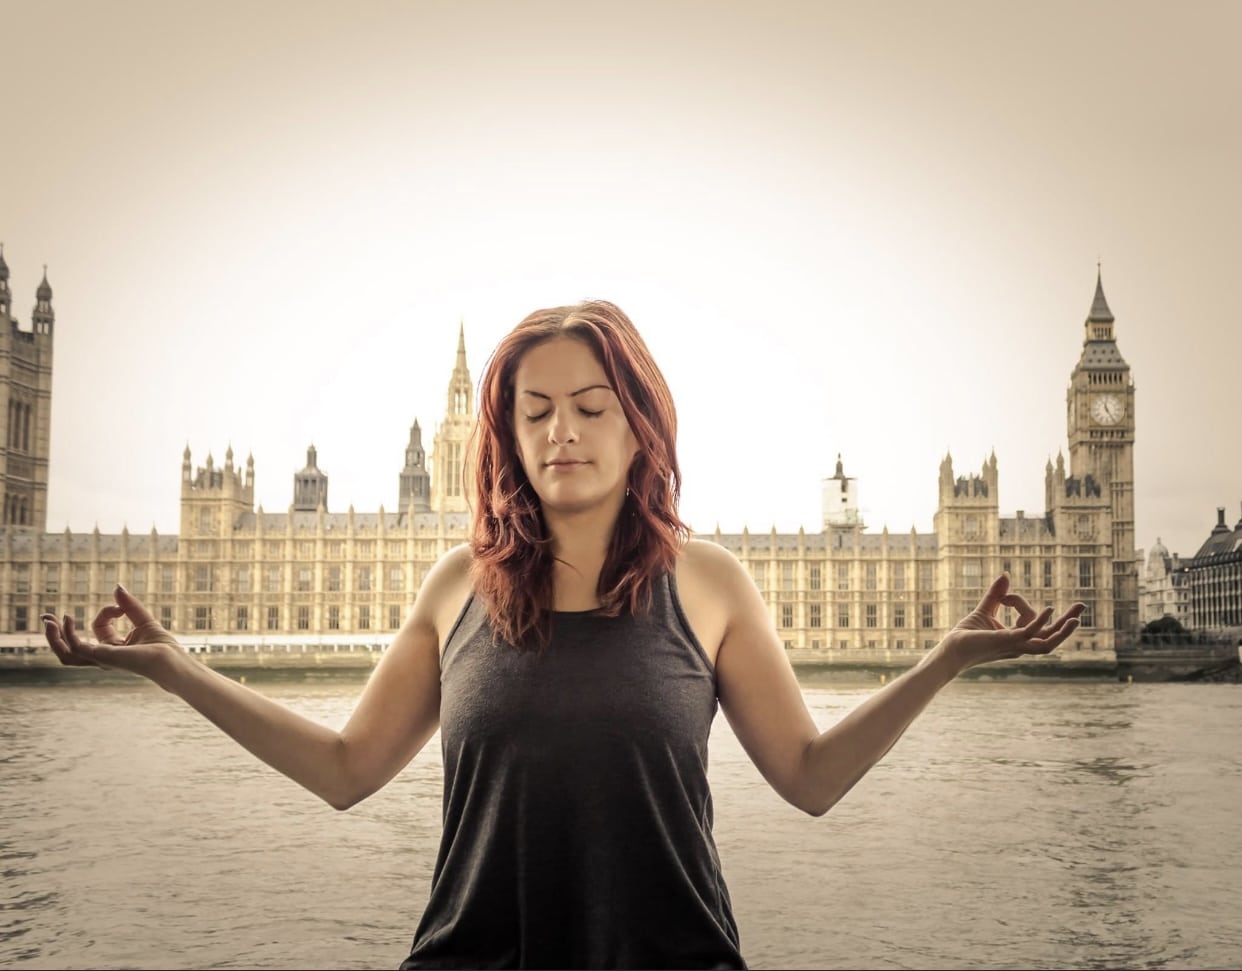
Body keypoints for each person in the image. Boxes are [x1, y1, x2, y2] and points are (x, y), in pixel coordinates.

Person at [41, 299, 1085, 970]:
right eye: (535, 409)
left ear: (640, 426)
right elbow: (346, 765)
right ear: (503, 434)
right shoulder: (458, 584)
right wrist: (175, 667)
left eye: (591, 404)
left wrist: (946, 656)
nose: (563, 431)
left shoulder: (709, 580)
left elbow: (809, 776)